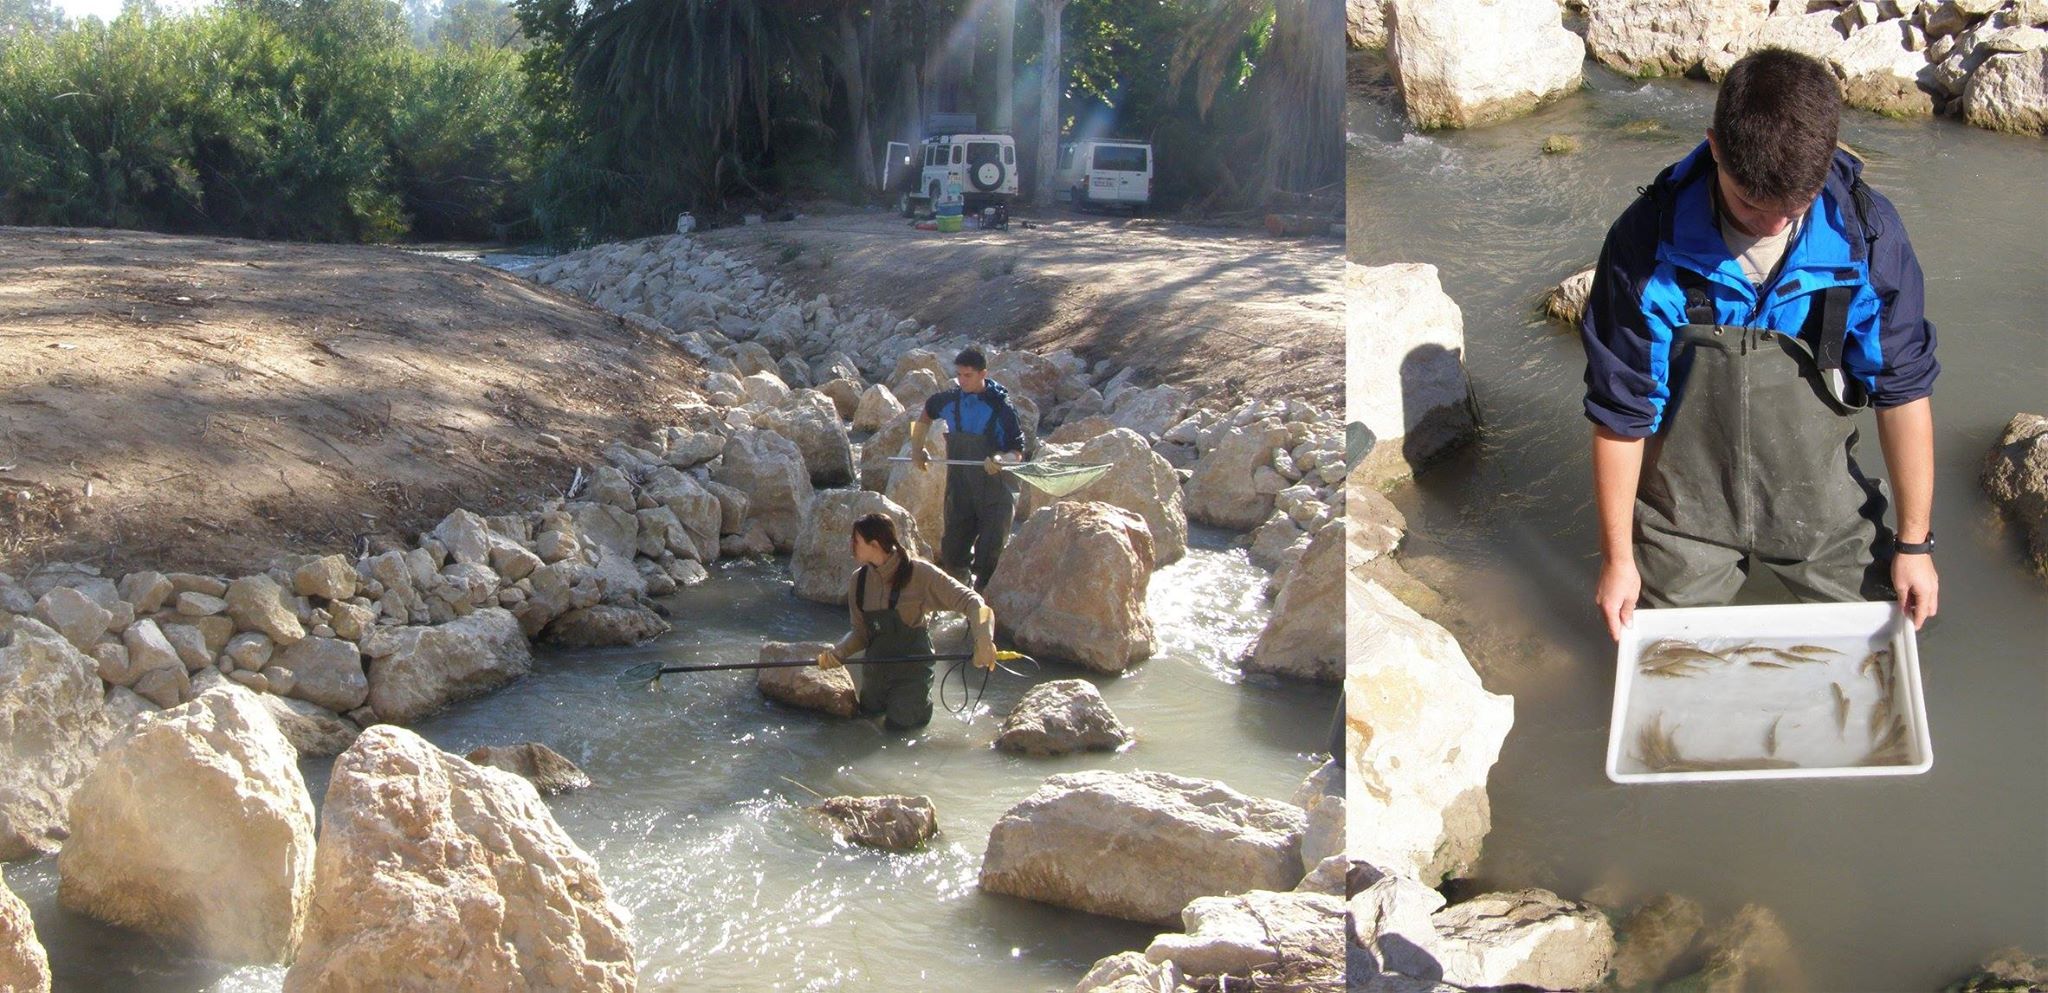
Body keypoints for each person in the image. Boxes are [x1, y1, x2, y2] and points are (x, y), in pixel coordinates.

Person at [1582, 48, 1940, 641]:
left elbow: (1902, 390)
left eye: (1791, 209)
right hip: (1682, 518)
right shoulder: (1646, 246)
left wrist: (1914, 543)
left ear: (1827, 164)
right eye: (1750, 202)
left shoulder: (1867, 237)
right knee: (1661, 661)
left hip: (1821, 509)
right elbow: (1621, 414)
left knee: (1881, 642)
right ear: (1715, 145)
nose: (1771, 224)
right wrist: (1617, 558)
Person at [817, 513, 999, 730]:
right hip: (876, 674)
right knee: (865, 727)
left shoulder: (920, 574)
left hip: (912, 676)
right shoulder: (859, 580)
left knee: (898, 733)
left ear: (874, 545)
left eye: (855, 540)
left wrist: (984, 640)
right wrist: (838, 653)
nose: (851, 545)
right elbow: (861, 633)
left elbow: (973, 602)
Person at [910, 347, 1027, 590]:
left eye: (968, 375)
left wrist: (1001, 459)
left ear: (983, 373)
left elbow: (1018, 450)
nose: (962, 381)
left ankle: (982, 605)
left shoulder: (1002, 407)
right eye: (959, 375)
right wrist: (917, 448)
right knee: (952, 550)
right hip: (961, 486)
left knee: (989, 554)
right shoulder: (949, 400)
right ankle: (956, 600)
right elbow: (926, 414)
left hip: (997, 489)